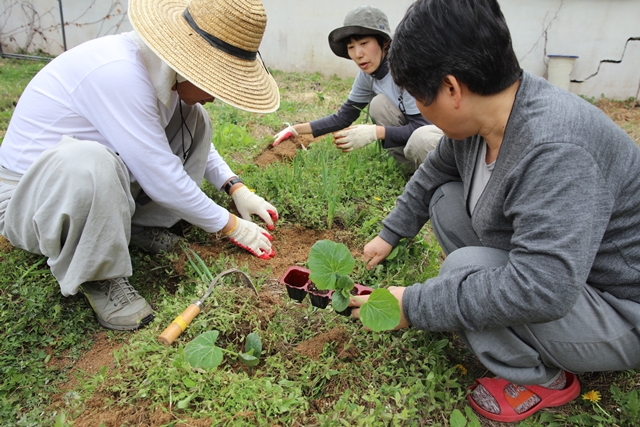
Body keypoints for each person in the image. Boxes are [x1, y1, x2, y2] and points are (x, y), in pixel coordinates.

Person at [349, 0, 640, 422]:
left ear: (451, 89)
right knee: (446, 201)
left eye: (416, 96)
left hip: (621, 309)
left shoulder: (555, 149)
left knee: (463, 270)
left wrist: (412, 305)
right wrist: (390, 232)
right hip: (571, 272)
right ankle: (500, 308)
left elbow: (541, 289)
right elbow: (432, 175)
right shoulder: (486, 118)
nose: (415, 105)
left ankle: (543, 379)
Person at [0, 0, 280, 331]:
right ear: (191, 65)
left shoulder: (159, 72)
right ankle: (98, 275)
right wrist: (231, 226)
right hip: (31, 203)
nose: (216, 95)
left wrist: (235, 187)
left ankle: (132, 229)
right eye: (217, 82)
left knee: (196, 119)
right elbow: (160, 175)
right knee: (92, 162)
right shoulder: (118, 74)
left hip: (84, 187)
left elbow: (188, 146)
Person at [272, 5, 444, 174]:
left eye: (364, 43)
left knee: (421, 138)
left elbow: (423, 126)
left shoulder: (408, 69)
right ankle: (411, 171)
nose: (358, 54)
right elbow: (343, 118)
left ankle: (446, 179)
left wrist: (375, 132)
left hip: (441, 139)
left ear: (385, 43)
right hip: (419, 143)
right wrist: (295, 129)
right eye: (351, 47)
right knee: (379, 104)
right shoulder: (367, 76)